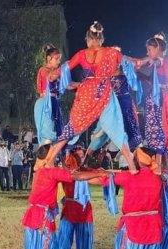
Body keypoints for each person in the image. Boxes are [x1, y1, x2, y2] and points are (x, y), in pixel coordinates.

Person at [42, 22, 131, 170]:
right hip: (103, 93)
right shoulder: (111, 52)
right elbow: (130, 62)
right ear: (101, 39)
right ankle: (132, 165)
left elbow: (66, 66)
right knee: (116, 126)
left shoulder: (82, 54)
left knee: (70, 128)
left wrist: (53, 74)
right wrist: (147, 61)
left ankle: (51, 159)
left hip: (87, 94)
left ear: (88, 39)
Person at [21, 144, 104, 249]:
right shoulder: (50, 172)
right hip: (42, 218)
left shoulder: (41, 170)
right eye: (55, 152)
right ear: (49, 157)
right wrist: (97, 173)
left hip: (40, 215)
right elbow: (76, 176)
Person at [106, 147, 164, 249]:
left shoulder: (129, 177)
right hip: (153, 224)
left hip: (134, 225)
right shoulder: (159, 177)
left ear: (138, 159)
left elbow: (107, 179)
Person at [134, 33, 168, 170]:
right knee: (152, 132)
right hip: (153, 100)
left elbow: (158, 61)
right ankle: (159, 166)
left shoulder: (163, 62)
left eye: (149, 50)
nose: (147, 52)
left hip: (160, 100)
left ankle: (158, 167)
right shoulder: (154, 66)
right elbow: (142, 71)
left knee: (159, 131)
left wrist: (151, 61)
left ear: (158, 49)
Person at [57, 149, 95, 249]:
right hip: (70, 207)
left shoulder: (86, 171)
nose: (80, 158)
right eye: (78, 156)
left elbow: (98, 176)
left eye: (82, 156)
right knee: (65, 235)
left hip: (84, 208)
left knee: (85, 235)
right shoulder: (66, 171)